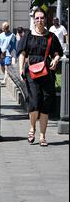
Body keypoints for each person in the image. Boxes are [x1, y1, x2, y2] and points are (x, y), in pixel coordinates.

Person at [17, 8, 63, 147]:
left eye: (42, 18)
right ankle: (32, 127)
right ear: (34, 20)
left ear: (45, 19)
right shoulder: (28, 36)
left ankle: (42, 136)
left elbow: (57, 53)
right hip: (31, 72)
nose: (39, 20)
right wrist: (20, 69)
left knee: (45, 104)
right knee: (34, 102)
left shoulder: (51, 37)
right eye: (37, 18)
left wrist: (55, 59)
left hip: (47, 73)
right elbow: (22, 53)